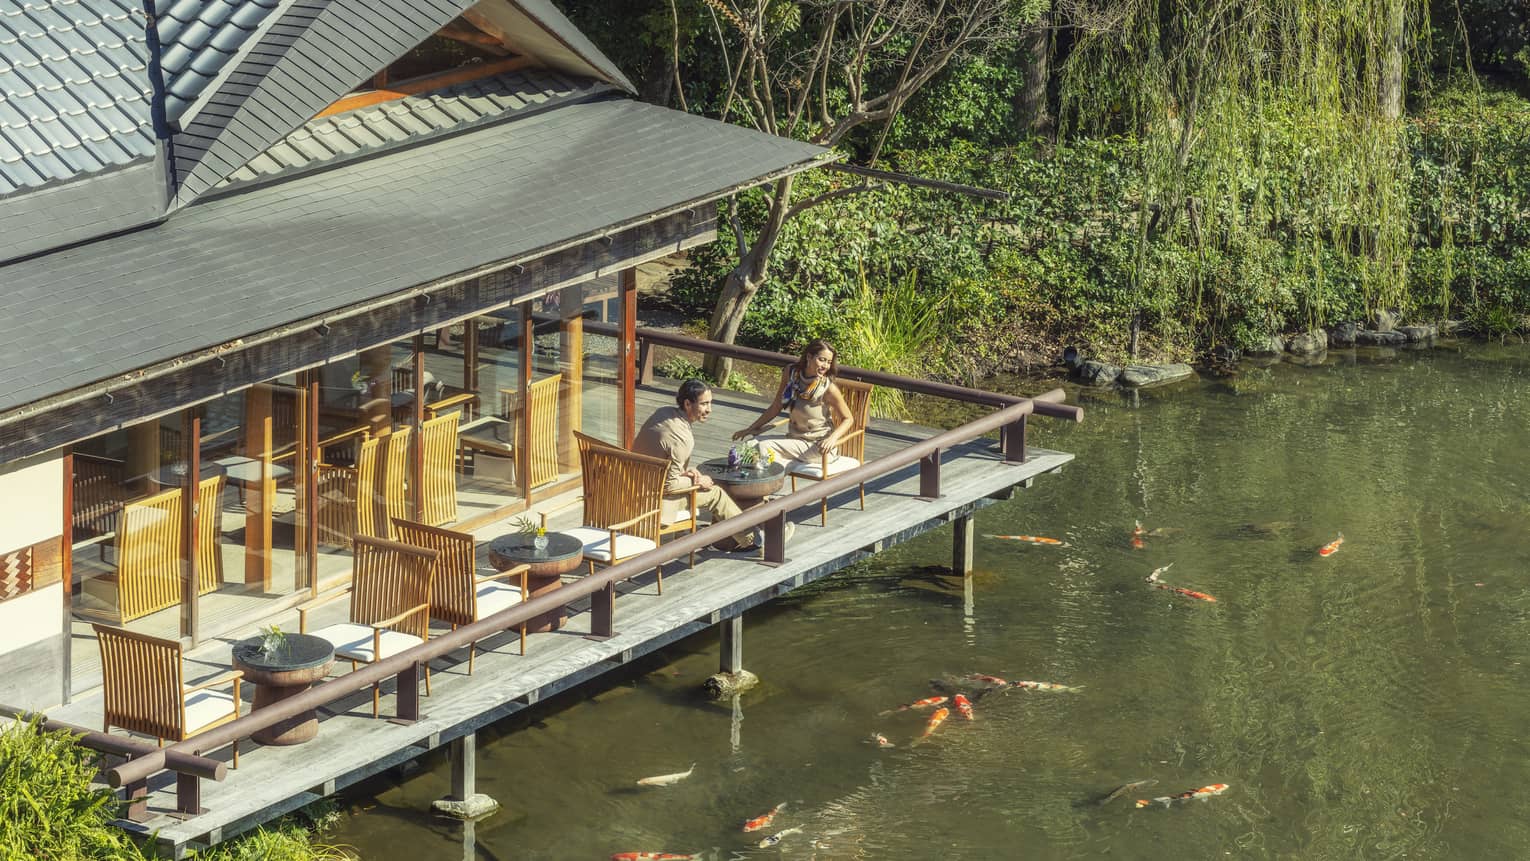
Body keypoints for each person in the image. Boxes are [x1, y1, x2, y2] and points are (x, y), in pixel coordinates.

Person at [633, 380, 759, 551]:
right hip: (652, 504)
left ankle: (685, 536)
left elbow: (662, 457)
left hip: (632, 489)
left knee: (696, 479)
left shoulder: (662, 413)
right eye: (704, 404)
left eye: (710, 403)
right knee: (716, 493)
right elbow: (669, 485)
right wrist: (698, 482)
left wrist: (685, 472)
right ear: (687, 404)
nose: (709, 409)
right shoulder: (682, 439)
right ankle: (752, 540)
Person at [734, 339, 854, 468]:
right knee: (749, 445)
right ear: (809, 356)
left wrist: (832, 439)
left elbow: (848, 419)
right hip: (794, 439)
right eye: (822, 360)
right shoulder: (791, 373)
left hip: (817, 446)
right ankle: (752, 477)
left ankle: (771, 476)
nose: (825, 366)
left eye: (829, 362)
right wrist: (750, 428)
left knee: (764, 447)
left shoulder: (828, 388)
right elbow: (776, 406)